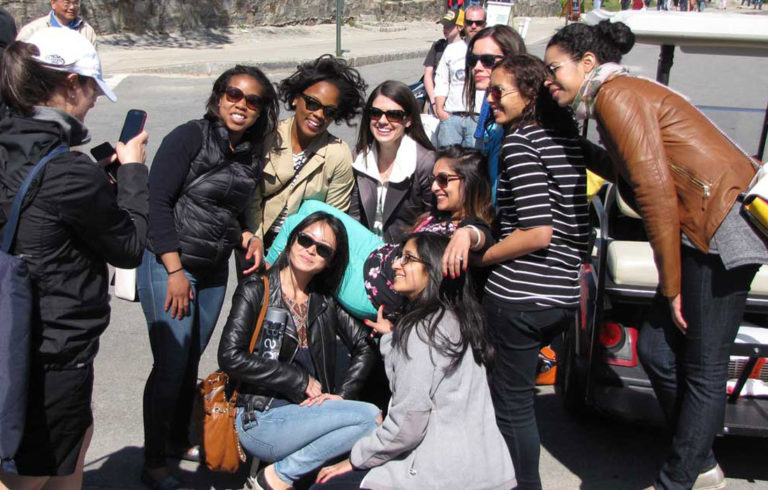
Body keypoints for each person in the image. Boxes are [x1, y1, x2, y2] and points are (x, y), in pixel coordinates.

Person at [545, 21, 767, 490]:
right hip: (699, 232)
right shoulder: (614, 96)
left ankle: (682, 478)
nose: (549, 79)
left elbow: (655, 194)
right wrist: (575, 146)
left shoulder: (615, 97)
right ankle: (700, 459)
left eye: (553, 69)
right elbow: (631, 172)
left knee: (703, 365)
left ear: (587, 64)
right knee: (656, 350)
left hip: (721, 233)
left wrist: (671, 287)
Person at [0, 27, 147, 488]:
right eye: (90, 89)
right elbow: (128, 243)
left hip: (19, 333)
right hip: (53, 347)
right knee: (29, 474)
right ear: (68, 85)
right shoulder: (67, 171)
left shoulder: (15, 143)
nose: (95, 101)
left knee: (72, 445)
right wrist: (135, 174)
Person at [138, 65, 280, 489]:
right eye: (234, 94)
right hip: (171, 264)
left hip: (214, 269)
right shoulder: (189, 137)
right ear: (219, 97)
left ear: (261, 110)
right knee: (171, 363)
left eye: (252, 100)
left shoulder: (251, 152)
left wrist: (248, 234)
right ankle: (154, 462)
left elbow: (227, 210)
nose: (241, 105)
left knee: (188, 363)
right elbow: (156, 202)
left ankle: (178, 437)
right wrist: (174, 268)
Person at [311, 232, 516, 490]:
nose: (395, 264)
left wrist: (356, 459)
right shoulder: (461, 320)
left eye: (408, 258)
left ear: (432, 268)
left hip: (442, 476)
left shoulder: (421, 331)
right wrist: (391, 337)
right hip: (489, 470)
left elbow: (407, 424)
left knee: (325, 485)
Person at [479, 54, 589, 490]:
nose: (490, 101)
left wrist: (479, 259)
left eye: (498, 91)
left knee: (511, 407)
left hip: (521, 296)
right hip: (561, 294)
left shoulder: (520, 142)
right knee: (519, 400)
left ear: (528, 95)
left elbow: (537, 232)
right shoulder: (562, 137)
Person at [219, 211, 379, 490]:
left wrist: (341, 396)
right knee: (370, 417)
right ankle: (278, 478)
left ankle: (277, 476)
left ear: (329, 262)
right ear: (292, 240)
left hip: (305, 416)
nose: (310, 250)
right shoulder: (257, 289)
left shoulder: (325, 301)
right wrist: (298, 379)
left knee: (372, 420)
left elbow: (364, 346)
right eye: (305, 240)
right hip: (259, 416)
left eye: (323, 249)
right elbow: (230, 356)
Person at [243, 54, 367, 269]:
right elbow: (250, 196)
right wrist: (257, 242)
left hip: (302, 250)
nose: (318, 115)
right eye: (312, 103)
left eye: (329, 112)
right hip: (255, 241)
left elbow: (331, 217)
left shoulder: (337, 154)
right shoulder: (268, 137)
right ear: (295, 99)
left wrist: (295, 254)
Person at [349, 80, 436, 243]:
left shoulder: (426, 163)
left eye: (394, 115)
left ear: (408, 120)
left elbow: (432, 223)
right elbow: (353, 218)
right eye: (375, 113)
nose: (382, 121)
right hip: (364, 252)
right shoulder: (359, 157)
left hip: (406, 257)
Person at [464, 25, 526, 201]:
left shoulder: (523, 124)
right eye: (472, 60)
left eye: (488, 60)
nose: (477, 67)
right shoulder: (490, 107)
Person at [433, 5, 486, 148]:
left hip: (478, 118)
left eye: (478, 23)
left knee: (473, 165)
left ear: (485, 24)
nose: (474, 26)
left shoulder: (490, 51)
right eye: (470, 22)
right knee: (447, 162)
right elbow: (442, 80)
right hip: (452, 116)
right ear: (463, 25)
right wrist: (440, 109)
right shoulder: (452, 49)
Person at [423, 10, 463, 115]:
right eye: (444, 26)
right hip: (435, 99)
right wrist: (433, 101)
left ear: (460, 27)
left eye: (449, 26)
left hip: (456, 103)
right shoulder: (438, 46)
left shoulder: (467, 48)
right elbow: (428, 74)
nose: (445, 29)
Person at [17, 0, 96, 45]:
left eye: (75, 3)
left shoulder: (87, 31)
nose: (72, 7)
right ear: (53, 3)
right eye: (67, 3)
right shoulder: (32, 30)